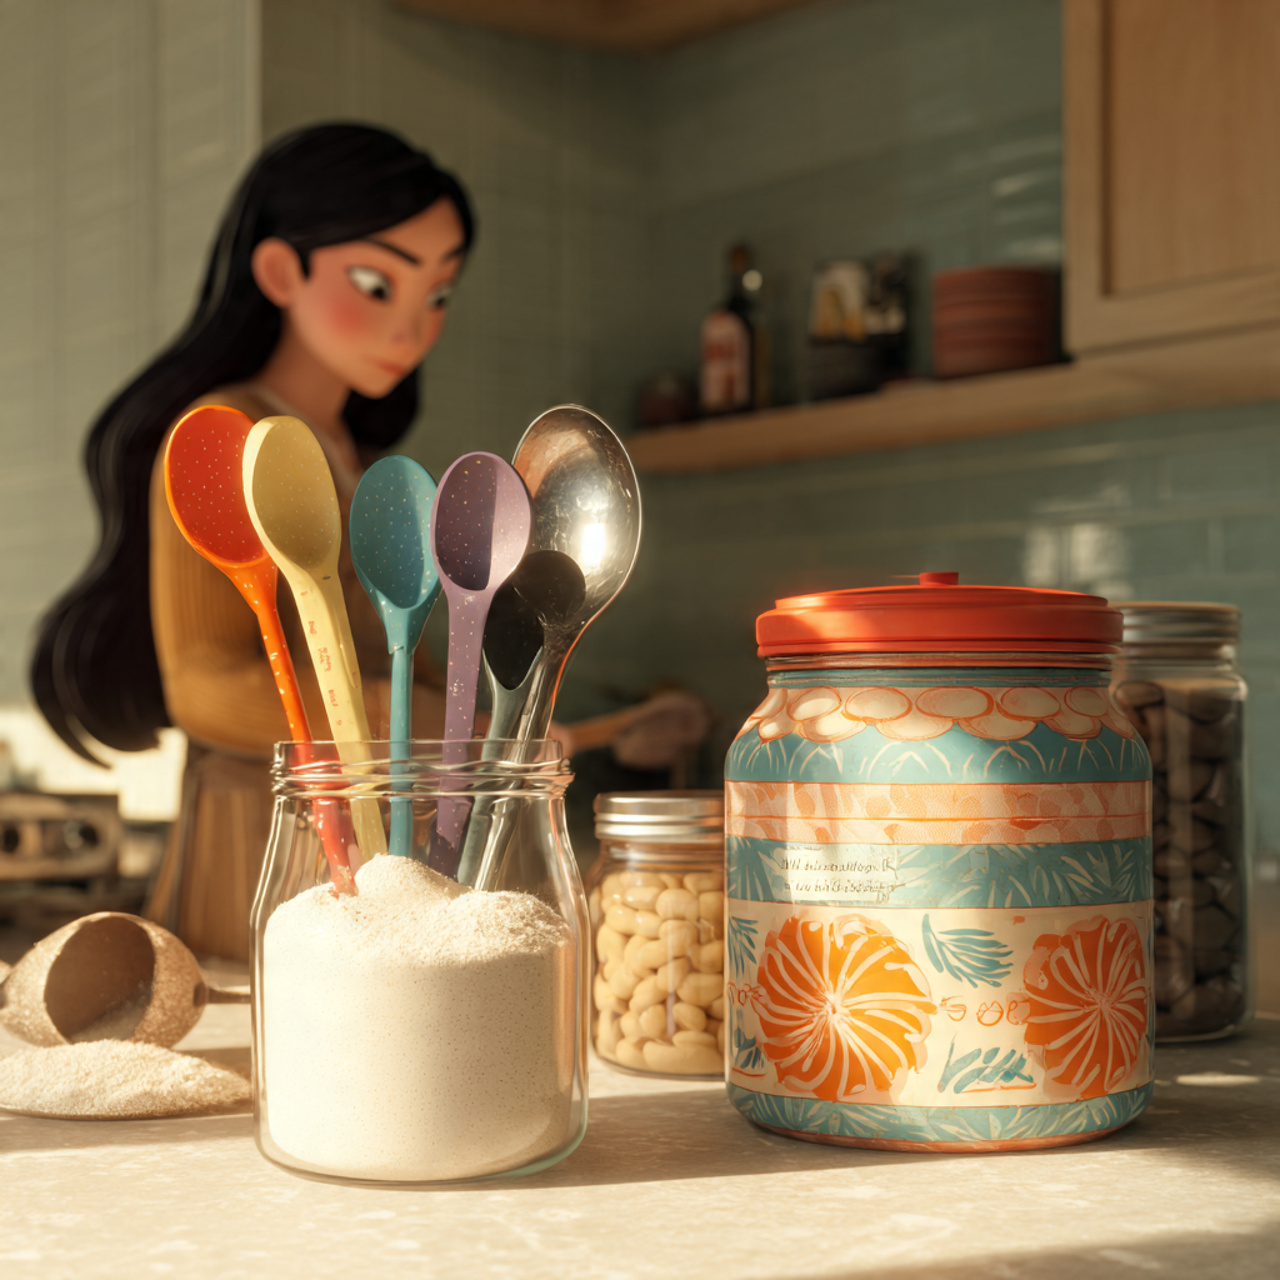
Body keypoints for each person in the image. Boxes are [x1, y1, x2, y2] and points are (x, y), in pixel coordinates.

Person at [31, 123, 478, 960]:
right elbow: (203, 687)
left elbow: (405, 653)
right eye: (377, 282)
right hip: (256, 835)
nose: (412, 327)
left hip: (383, 841)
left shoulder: (366, 461)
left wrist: (488, 722)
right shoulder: (218, 440)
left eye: (440, 295)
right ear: (280, 271)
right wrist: (412, 718)